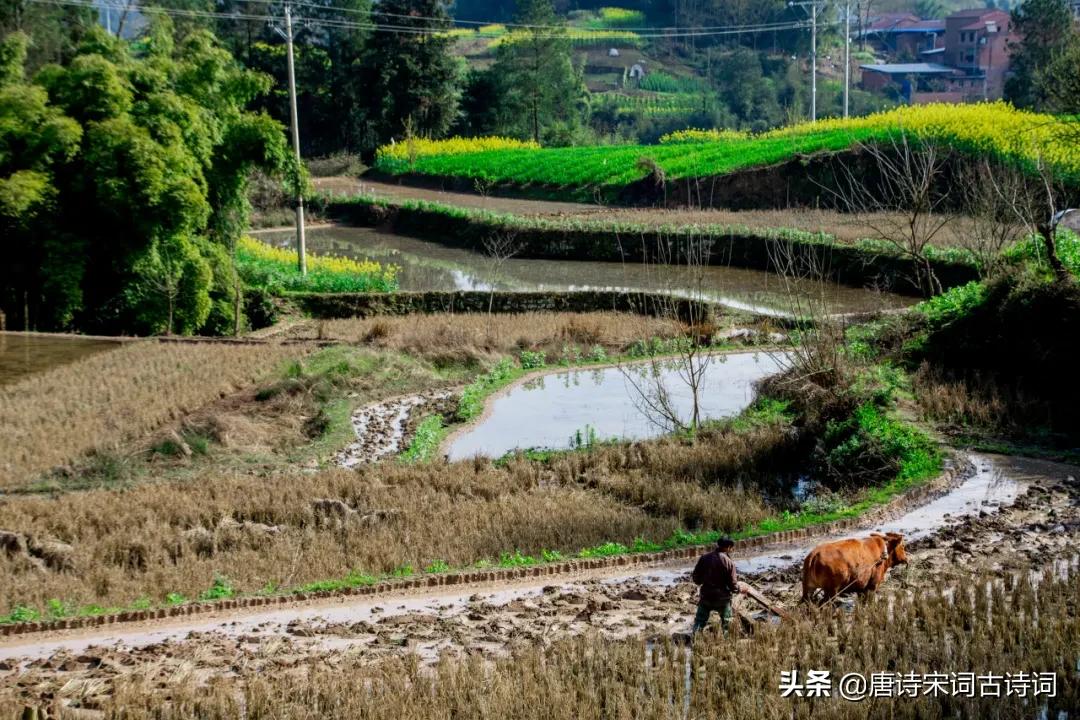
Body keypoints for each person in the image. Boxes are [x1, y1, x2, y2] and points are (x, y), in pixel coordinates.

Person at [691, 537, 744, 636]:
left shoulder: (704, 558)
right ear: (728, 547)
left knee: (699, 622)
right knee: (727, 624)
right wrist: (740, 589)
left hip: (706, 596)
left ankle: (695, 641)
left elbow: (696, 579)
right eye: (732, 548)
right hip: (722, 599)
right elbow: (733, 585)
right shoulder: (729, 562)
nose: (732, 550)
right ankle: (726, 644)